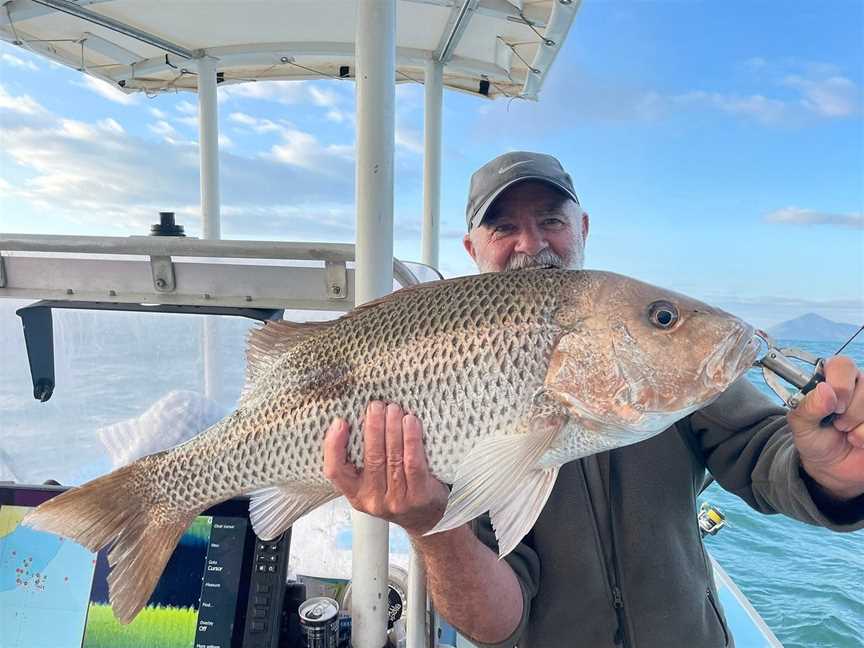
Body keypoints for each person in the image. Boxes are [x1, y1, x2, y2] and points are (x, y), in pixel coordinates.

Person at [323, 152, 864, 647]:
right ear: (473, 249)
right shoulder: (446, 380)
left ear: (581, 228)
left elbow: (762, 449)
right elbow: (492, 623)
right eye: (504, 226)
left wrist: (834, 475)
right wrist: (430, 525)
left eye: (551, 221)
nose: (531, 244)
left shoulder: (660, 358)